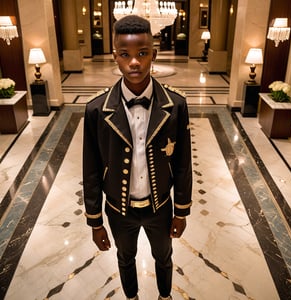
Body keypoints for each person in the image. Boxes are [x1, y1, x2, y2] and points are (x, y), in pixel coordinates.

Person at [83, 15, 192, 300]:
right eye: (125, 54)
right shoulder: (96, 110)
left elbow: (182, 164)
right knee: (125, 257)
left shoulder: (176, 105)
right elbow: (91, 169)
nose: (134, 62)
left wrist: (181, 210)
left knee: (164, 257)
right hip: (119, 210)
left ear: (153, 55)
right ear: (115, 57)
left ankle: (164, 296)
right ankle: (131, 297)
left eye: (142, 54)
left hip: (160, 207)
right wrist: (95, 221)